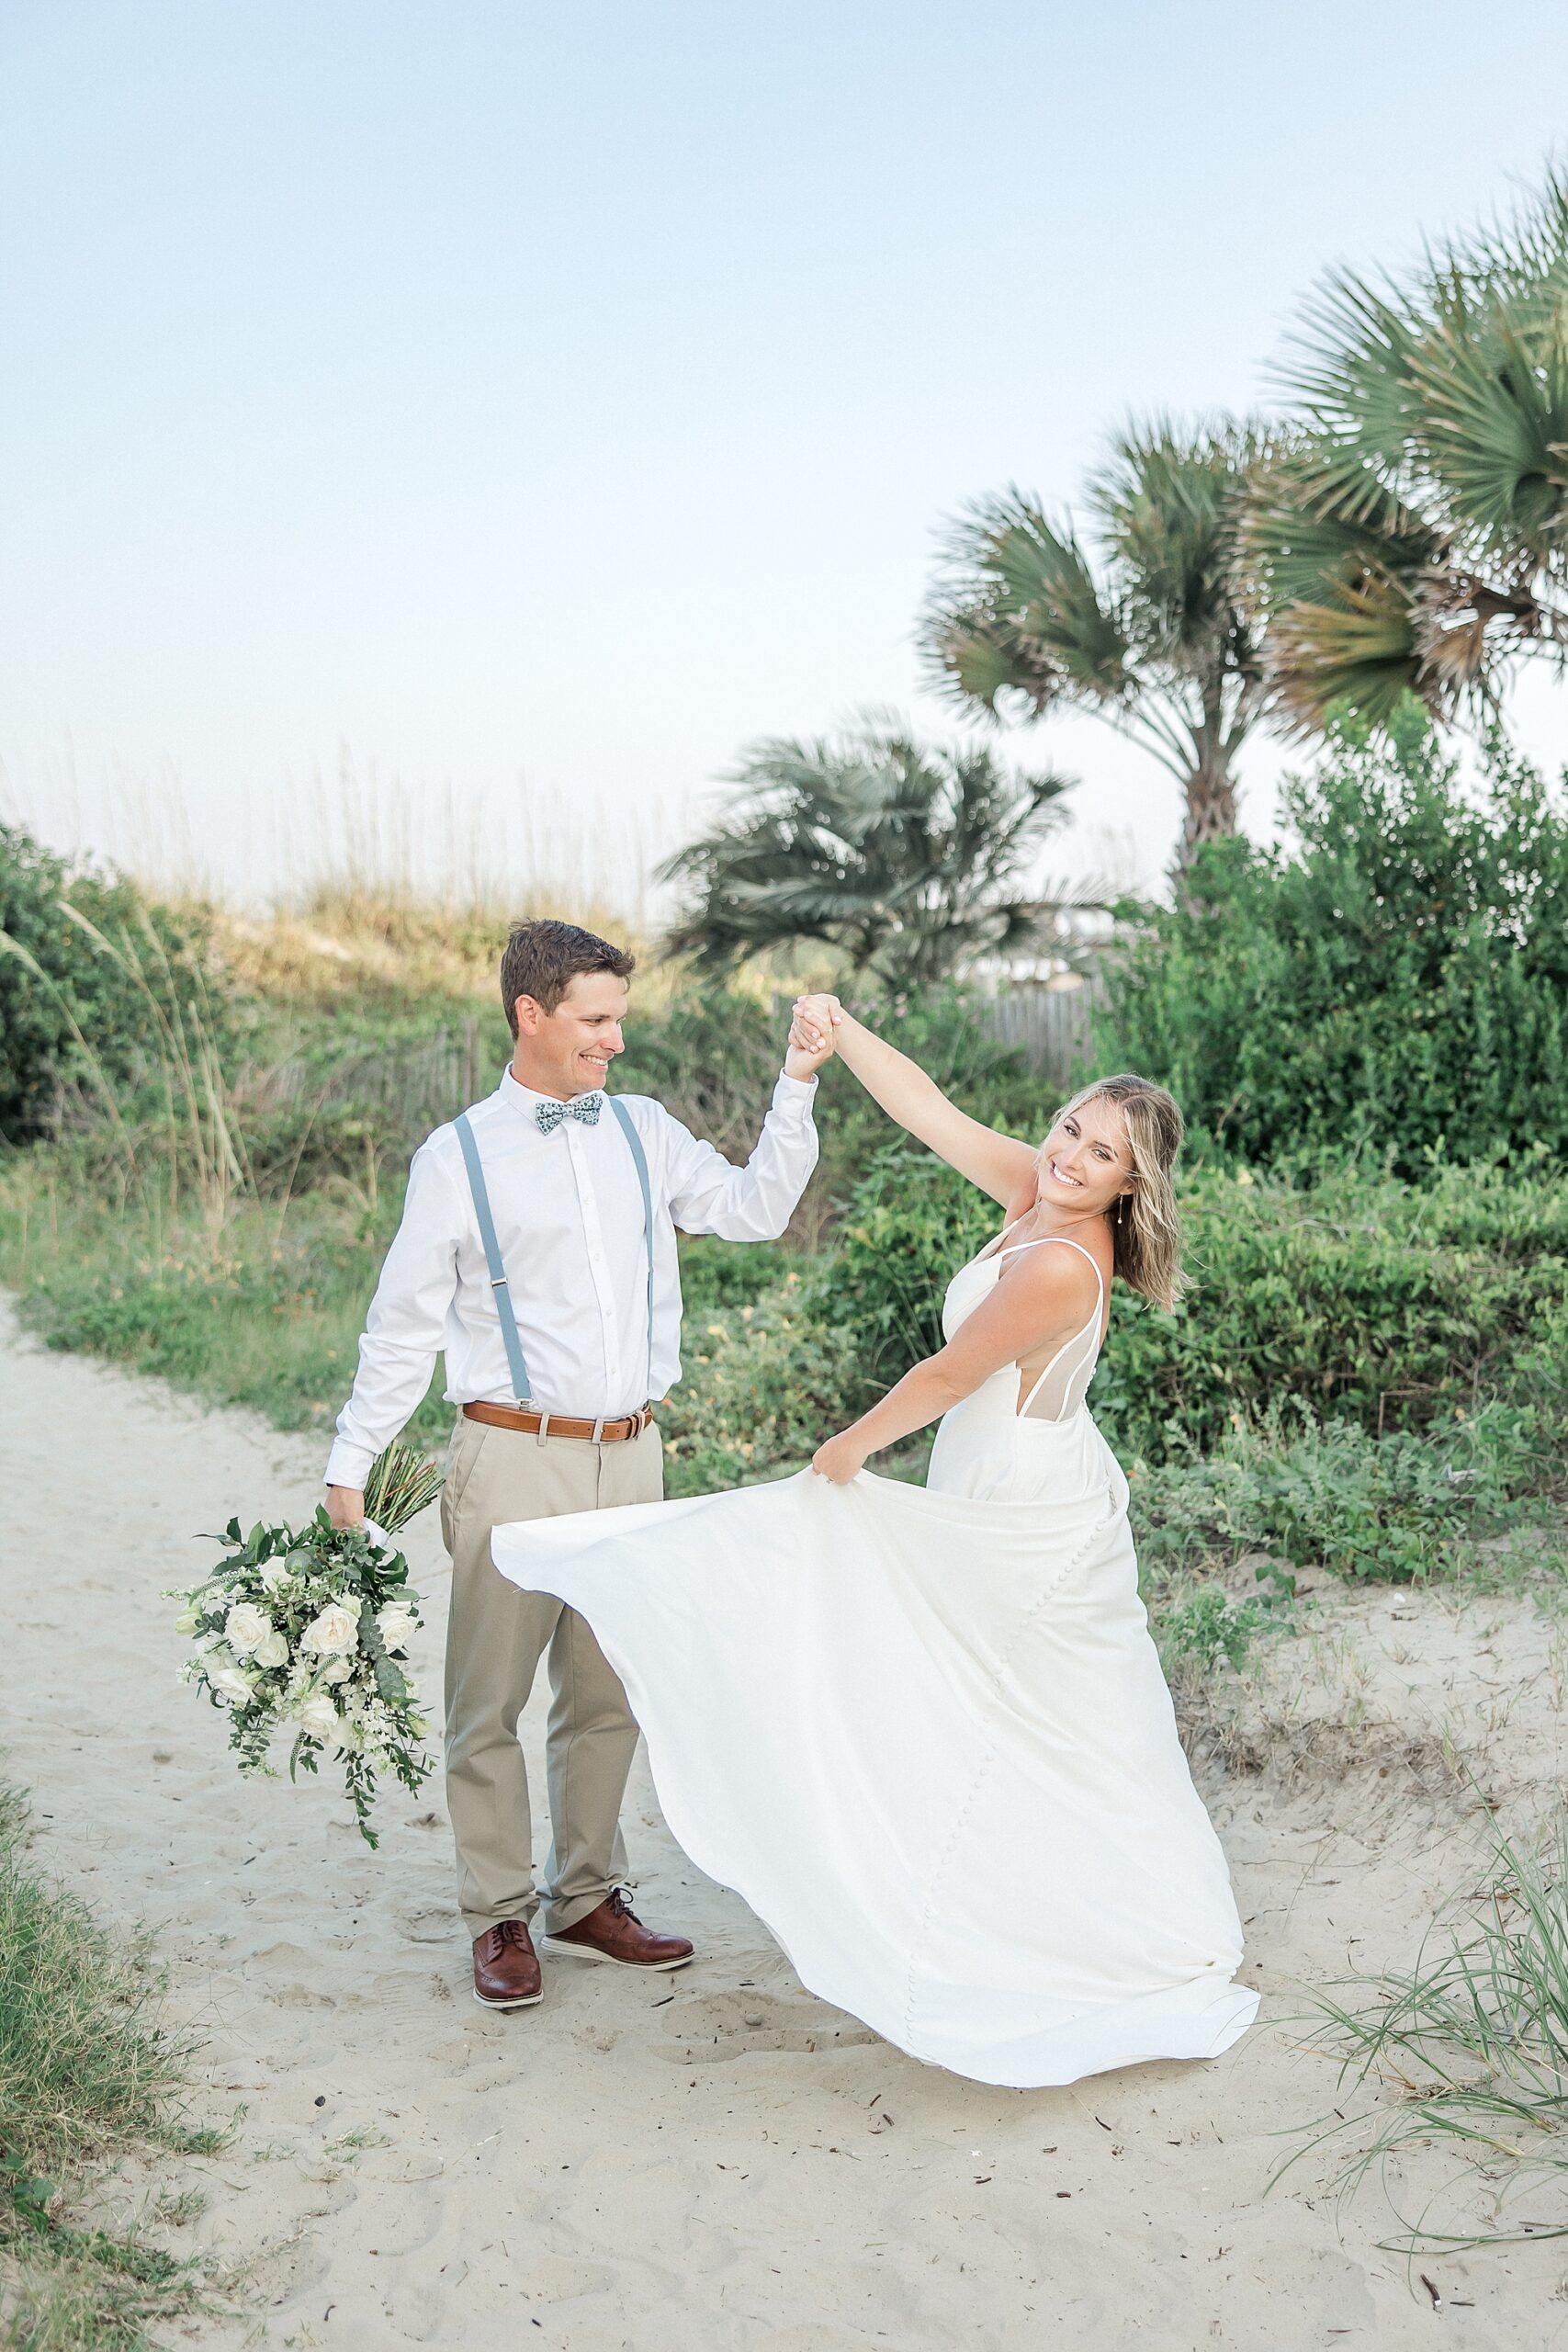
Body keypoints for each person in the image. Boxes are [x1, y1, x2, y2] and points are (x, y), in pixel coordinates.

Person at [490, 994, 1259, 2086]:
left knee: (1046, 1721)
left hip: (1026, 1500)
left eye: (1103, 1153)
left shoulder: (1059, 1263)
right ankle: (1001, 1902)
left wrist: (844, 1450)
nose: (1072, 1156)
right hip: (996, 1472)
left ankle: (1102, 1930)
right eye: (1071, 1130)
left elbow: (953, 1375)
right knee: (996, 1712)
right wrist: (841, 1038)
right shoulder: (1034, 1196)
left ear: (1133, 1182)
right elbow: (932, 1112)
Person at [324, 920, 829, 2010]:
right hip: (511, 1456)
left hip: (631, 1456)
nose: (616, 1039)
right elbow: (402, 1325)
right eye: (597, 1019)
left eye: (619, 1017)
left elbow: (754, 1208)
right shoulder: (457, 1157)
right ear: (532, 1015)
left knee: (609, 1694)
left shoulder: (643, 1129)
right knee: (488, 1702)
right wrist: (349, 1463)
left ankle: (586, 1894)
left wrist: (796, 1082)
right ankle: (499, 1914)